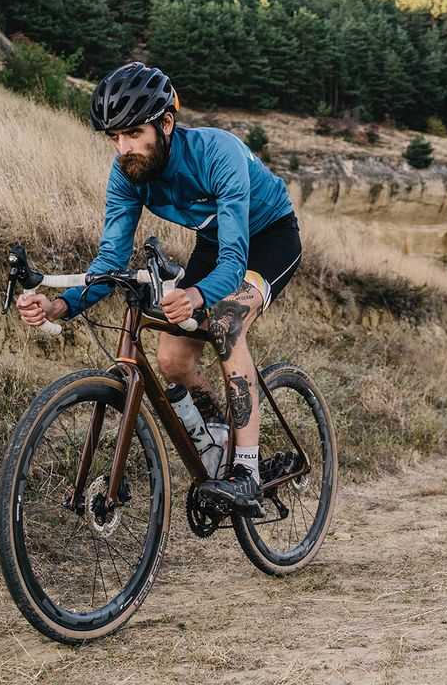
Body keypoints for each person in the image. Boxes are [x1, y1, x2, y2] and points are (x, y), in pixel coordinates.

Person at [16, 62, 301, 517]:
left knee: (226, 320)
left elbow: (233, 261)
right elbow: (109, 263)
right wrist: (58, 305)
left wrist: (196, 295)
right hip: (214, 241)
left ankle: (246, 472)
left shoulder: (217, 153)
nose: (124, 148)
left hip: (268, 237)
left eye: (133, 133)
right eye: (114, 137)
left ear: (166, 122)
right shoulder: (126, 173)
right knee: (171, 358)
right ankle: (223, 436)